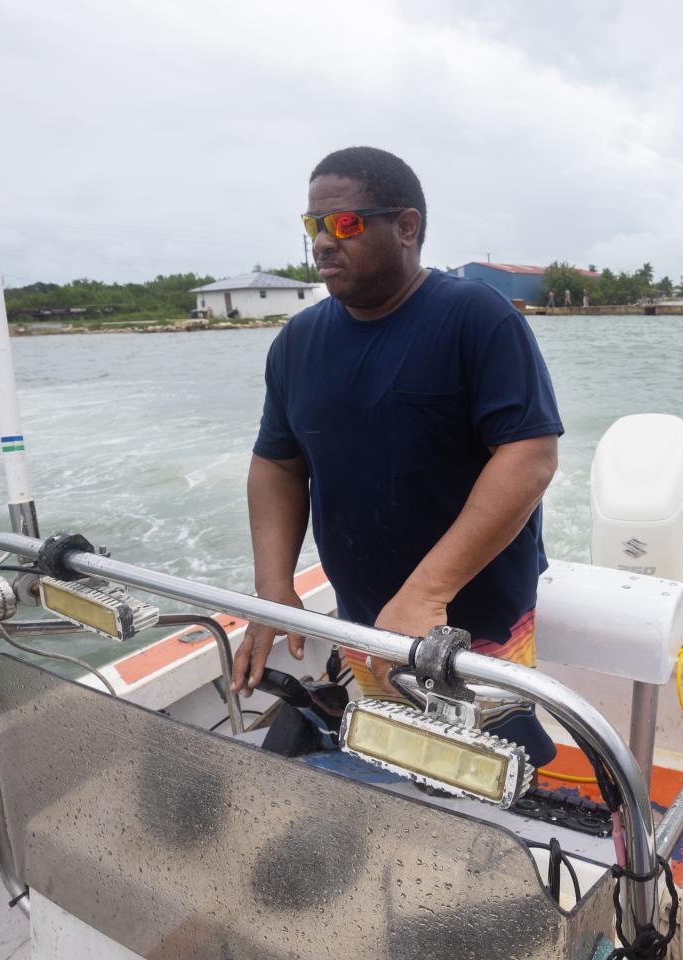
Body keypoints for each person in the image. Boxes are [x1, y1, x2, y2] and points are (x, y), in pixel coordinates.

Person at [232, 146, 562, 767]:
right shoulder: (298, 341)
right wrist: (273, 586)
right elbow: (278, 462)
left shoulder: (475, 317)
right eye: (314, 226)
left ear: (406, 227)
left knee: (487, 772)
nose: (324, 242)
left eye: (346, 224)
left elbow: (530, 455)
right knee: (396, 754)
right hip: (362, 615)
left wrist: (426, 593)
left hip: (473, 619)